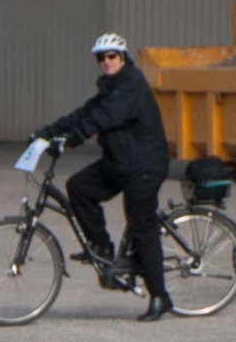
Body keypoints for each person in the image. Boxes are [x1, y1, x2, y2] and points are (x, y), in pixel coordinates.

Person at [35, 33, 173, 322]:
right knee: (80, 187)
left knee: (141, 224)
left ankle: (160, 296)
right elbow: (84, 112)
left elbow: (102, 118)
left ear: (122, 58)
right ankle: (102, 248)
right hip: (119, 163)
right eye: (102, 58)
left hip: (144, 166)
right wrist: (45, 132)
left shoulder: (131, 86)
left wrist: (69, 140)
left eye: (112, 56)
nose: (107, 61)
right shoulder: (110, 88)